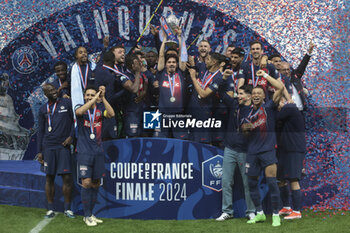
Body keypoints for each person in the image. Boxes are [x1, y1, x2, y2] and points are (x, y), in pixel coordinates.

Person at [241, 70, 284, 227]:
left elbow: (279, 87)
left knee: (272, 183)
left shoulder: (269, 107)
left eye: (259, 93)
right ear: (251, 96)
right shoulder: (247, 113)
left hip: (267, 150)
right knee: (251, 184)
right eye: (254, 93)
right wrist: (246, 129)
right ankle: (259, 213)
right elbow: (245, 133)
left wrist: (265, 76)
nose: (256, 95)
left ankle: (275, 215)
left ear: (264, 96)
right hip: (252, 152)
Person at [75, 85, 115, 226]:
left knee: (96, 183)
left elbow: (111, 114)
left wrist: (102, 98)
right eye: (88, 95)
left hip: (98, 151)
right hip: (84, 152)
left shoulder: (99, 111)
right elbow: (80, 112)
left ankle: (91, 214)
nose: (90, 97)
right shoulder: (81, 108)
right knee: (86, 183)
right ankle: (86, 216)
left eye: (92, 95)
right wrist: (94, 99)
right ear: (84, 96)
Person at [216, 85, 256, 221]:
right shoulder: (234, 105)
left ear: (249, 96)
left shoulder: (254, 111)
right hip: (230, 149)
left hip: (245, 151)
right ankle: (227, 211)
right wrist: (222, 80)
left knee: (247, 183)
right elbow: (220, 91)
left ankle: (251, 211)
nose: (238, 96)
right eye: (238, 93)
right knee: (226, 181)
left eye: (241, 94)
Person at [37, 84, 75, 219]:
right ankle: (50, 209)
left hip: (63, 146)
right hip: (48, 147)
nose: (53, 92)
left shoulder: (67, 103)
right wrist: (40, 151)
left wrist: (71, 136)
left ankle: (68, 209)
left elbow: (75, 121)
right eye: (50, 91)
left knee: (67, 177)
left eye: (54, 89)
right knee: (49, 177)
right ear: (45, 94)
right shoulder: (43, 109)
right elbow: (40, 131)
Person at [277, 97, 306, 220]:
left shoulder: (291, 108)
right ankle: (287, 207)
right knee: (281, 179)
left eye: (280, 101)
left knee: (293, 179)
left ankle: (297, 211)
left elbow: (273, 118)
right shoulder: (285, 116)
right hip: (284, 150)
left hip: (294, 149)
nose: (278, 104)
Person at [188, 52, 226, 143]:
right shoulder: (204, 68)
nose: (206, 61)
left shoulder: (218, 78)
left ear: (214, 62)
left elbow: (203, 94)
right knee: (191, 140)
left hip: (203, 112)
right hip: (192, 109)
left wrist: (193, 78)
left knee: (201, 142)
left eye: (208, 59)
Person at [279, 41, 315, 111]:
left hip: (299, 110)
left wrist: (309, 53)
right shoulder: (277, 81)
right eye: (284, 70)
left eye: (288, 69)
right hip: (285, 112)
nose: (286, 72)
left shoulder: (295, 76)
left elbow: (303, 65)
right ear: (279, 71)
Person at [120, 54, 147, 137]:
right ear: (132, 65)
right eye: (137, 63)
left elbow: (145, 86)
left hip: (143, 109)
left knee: (146, 135)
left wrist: (142, 94)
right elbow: (134, 89)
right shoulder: (124, 76)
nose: (140, 64)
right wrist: (138, 72)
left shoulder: (142, 75)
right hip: (131, 111)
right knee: (133, 136)